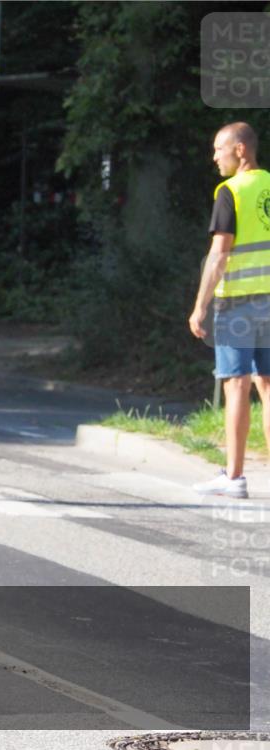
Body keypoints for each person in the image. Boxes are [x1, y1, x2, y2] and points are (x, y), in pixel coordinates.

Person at [189, 122, 270, 499]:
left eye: (219, 149)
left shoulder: (229, 191)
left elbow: (220, 252)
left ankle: (235, 478)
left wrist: (200, 306)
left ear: (239, 150)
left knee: (236, 385)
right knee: (268, 386)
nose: (214, 156)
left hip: (238, 302)